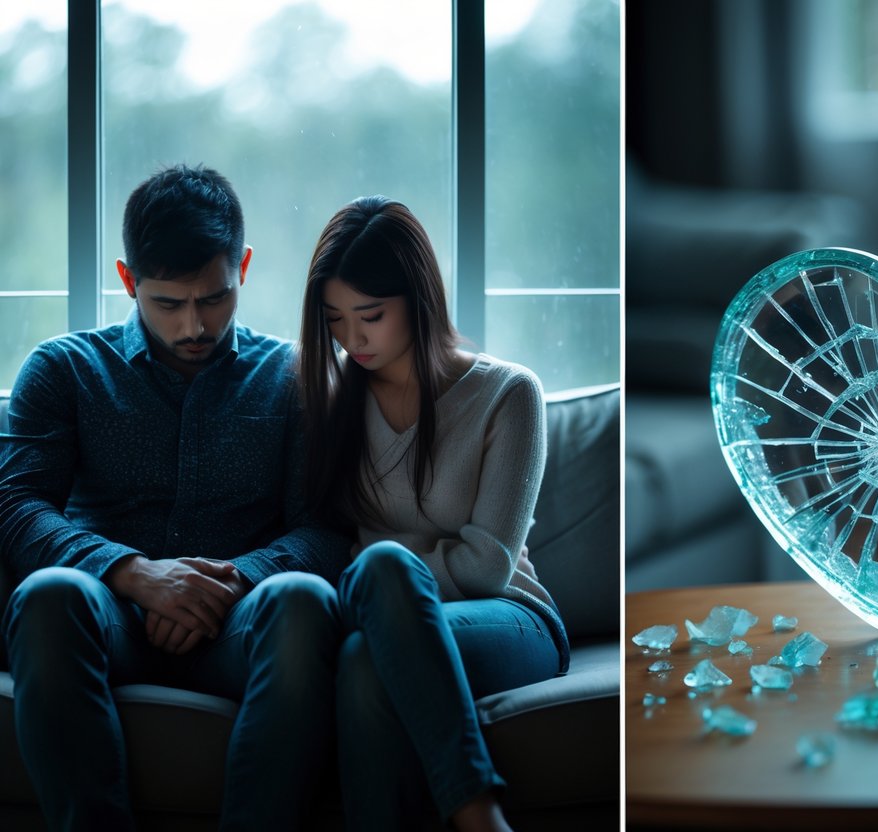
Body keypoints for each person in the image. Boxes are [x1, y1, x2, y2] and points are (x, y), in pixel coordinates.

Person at [0, 164, 350, 831]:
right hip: (107, 618)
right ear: (128, 280)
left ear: (242, 266)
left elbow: (328, 528)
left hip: (242, 623)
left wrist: (228, 582)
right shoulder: (64, 369)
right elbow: (15, 507)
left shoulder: (295, 377)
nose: (195, 324)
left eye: (214, 298)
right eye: (168, 303)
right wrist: (136, 576)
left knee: (304, 597)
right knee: (48, 594)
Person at [297, 196, 569, 832]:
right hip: (381, 621)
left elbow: (486, 568)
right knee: (365, 658)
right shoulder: (332, 400)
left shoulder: (509, 394)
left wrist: (387, 578)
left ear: (419, 299)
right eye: (334, 320)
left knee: (383, 567)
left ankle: (478, 811)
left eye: (370, 315)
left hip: (511, 618)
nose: (352, 339)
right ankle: (477, 811)